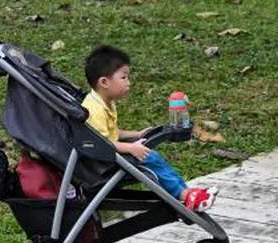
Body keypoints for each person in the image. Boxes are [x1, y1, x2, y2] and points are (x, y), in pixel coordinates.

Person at [82, 45, 216, 212]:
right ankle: (184, 195)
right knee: (151, 160)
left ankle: (187, 192)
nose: (128, 83)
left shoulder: (105, 102)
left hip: (111, 153)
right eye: (124, 78)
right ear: (104, 82)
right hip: (103, 161)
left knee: (155, 159)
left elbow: (113, 132)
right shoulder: (94, 109)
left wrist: (136, 135)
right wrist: (131, 147)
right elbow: (101, 142)